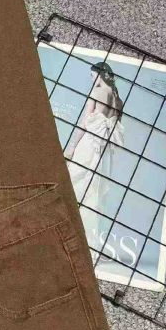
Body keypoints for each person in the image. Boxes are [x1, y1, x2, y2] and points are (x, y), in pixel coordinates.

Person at [65, 61, 125, 253]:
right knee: (93, 193)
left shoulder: (98, 91)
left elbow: (85, 123)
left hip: (90, 144)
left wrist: (71, 147)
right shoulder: (117, 98)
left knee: (74, 183)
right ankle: (88, 243)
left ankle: (69, 237)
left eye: (92, 76)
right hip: (104, 149)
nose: (92, 80)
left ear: (100, 74)